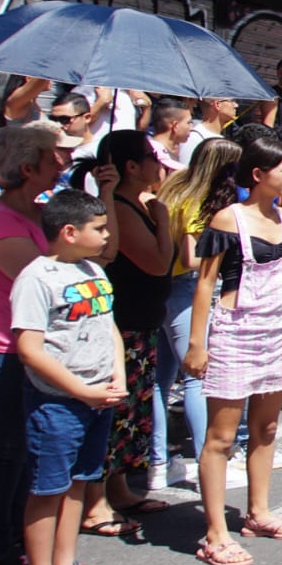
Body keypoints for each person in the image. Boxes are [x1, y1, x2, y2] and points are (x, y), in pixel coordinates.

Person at [183, 137, 282, 565]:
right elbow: (205, 284)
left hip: (274, 331)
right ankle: (214, 533)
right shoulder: (227, 219)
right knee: (221, 438)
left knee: (268, 428)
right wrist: (197, 343)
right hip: (234, 333)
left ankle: (258, 513)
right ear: (258, 175)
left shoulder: (281, 216)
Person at [0, 122, 84, 565]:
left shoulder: (41, 210)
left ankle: (20, 535)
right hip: (7, 348)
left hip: (46, 346)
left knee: (33, 449)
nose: (62, 161)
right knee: (11, 448)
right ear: (26, 166)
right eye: (52, 155)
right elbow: (43, 280)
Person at [12, 190, 126, 565]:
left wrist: (115, 372)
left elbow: (107, 326)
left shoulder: (93, 270)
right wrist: (80, 390)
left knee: (80, 479)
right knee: (48, 489)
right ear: (69, 232)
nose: (106, 235)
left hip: (98, 397)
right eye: (99, 228)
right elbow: (30, 349)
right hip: (58, 403)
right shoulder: (36, 279)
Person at [70, 132, 173, 532]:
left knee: (132, 413)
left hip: (142, 325)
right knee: (113, 415)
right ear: (131, 166)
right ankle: (95, 503)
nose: (158, 165)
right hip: (122, 327)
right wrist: (163, 221)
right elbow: (157, 261)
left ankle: (118, 489)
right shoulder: (120, 208)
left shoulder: (133, 204)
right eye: (150, 157)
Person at [151, 138, 242, 491]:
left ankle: (158, 462)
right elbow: (191, 258)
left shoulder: (174, 188)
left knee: (160, 381)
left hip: (164, 288)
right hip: (186, 289)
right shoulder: (196, 200)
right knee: (197, 378)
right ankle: (211, 458)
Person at [48, 93, 98, 163]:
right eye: (53, 119)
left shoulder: (101, 150)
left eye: (64, 119)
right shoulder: (48, 151)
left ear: (87, 118)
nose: (58, 124)